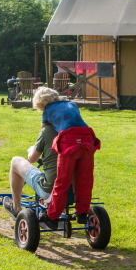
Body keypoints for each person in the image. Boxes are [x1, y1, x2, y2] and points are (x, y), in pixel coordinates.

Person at [33, 87, 100, 229]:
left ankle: (52, 217)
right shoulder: (72, 104)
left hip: (69, 140)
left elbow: (44, 130)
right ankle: (82, 213)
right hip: (87, 137)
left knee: (62, 181)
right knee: (85, 180)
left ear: (40, 104)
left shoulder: (47, 111)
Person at [3, 124, 58, 217]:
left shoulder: (48, 130)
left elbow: (32, 159)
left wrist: (32, 150)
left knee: (15, 161)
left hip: (51, 189)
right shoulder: (77, 130)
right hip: (73, 190)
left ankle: (16, 207)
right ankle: (50, 205)